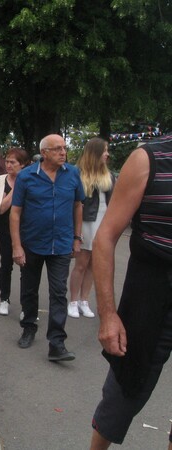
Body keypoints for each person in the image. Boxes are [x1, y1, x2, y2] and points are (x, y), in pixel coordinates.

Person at [90, 136, 172, 450]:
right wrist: (108, 315)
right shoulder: (147, 159)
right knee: (124, 390)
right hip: (151, 288)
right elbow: (106, 236)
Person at [10, 134, 84, 361]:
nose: (63, 152)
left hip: (61, 243)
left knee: (58, 293)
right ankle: (29, 327)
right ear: (44, 153)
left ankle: (57, 343)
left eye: (64, 148)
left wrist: (77, 237)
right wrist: (17, 246)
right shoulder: (26, 176)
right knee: (29, 289)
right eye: (57, 149)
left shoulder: (72, 173)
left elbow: (78, 205)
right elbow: (15, 213)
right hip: (32, 243)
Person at [68, 137, 115, 319]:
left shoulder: (109, 175)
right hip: (86, 223)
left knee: (94, 266)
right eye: (104, 150)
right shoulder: (78, 173)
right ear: (95, 153)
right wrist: (75, 233)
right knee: (81, 264)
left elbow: (112, 201)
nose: (107, 154)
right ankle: (72, 301)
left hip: (103, 222)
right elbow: (75, 204)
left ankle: (84, 300)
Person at [0, 147, 30, 316]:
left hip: (27, 229)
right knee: (6, 265)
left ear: (23, 165)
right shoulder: (1, 181)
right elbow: (1, 208)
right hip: (5, 229)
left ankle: (26, 306)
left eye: (13, 162)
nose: (8, 165)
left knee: (27, 268)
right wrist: (17, 189)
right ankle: (4, 299)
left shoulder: (31, 181)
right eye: (7, 161)